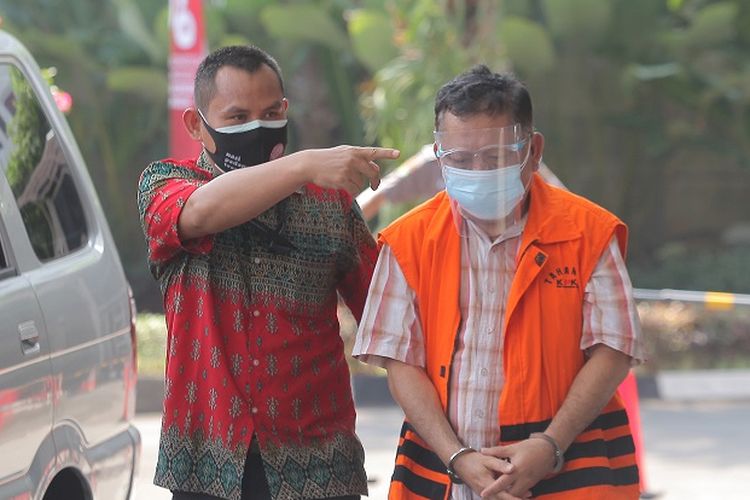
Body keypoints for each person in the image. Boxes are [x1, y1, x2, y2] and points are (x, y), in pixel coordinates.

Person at [353, 65, 645, 500]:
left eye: (494, 157)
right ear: (437, 154)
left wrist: (549, 444)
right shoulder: (408, 241)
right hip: (444, 476)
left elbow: (614, 348)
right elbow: (400, 362)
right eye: (459, 160)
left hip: (566, 473)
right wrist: (457, 458)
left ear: (533, 150)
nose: (477, 171)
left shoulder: (588, 232)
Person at [137, 45, 399, 500]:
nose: (257, 129)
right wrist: (303, 165)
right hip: (206, 465)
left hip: (320, 469)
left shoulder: (330, 204)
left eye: (270, 112)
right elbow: (198, 215)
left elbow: (390, 322)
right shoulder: (165, 183)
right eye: (237, 118)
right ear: (197, 125)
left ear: (286, 110)